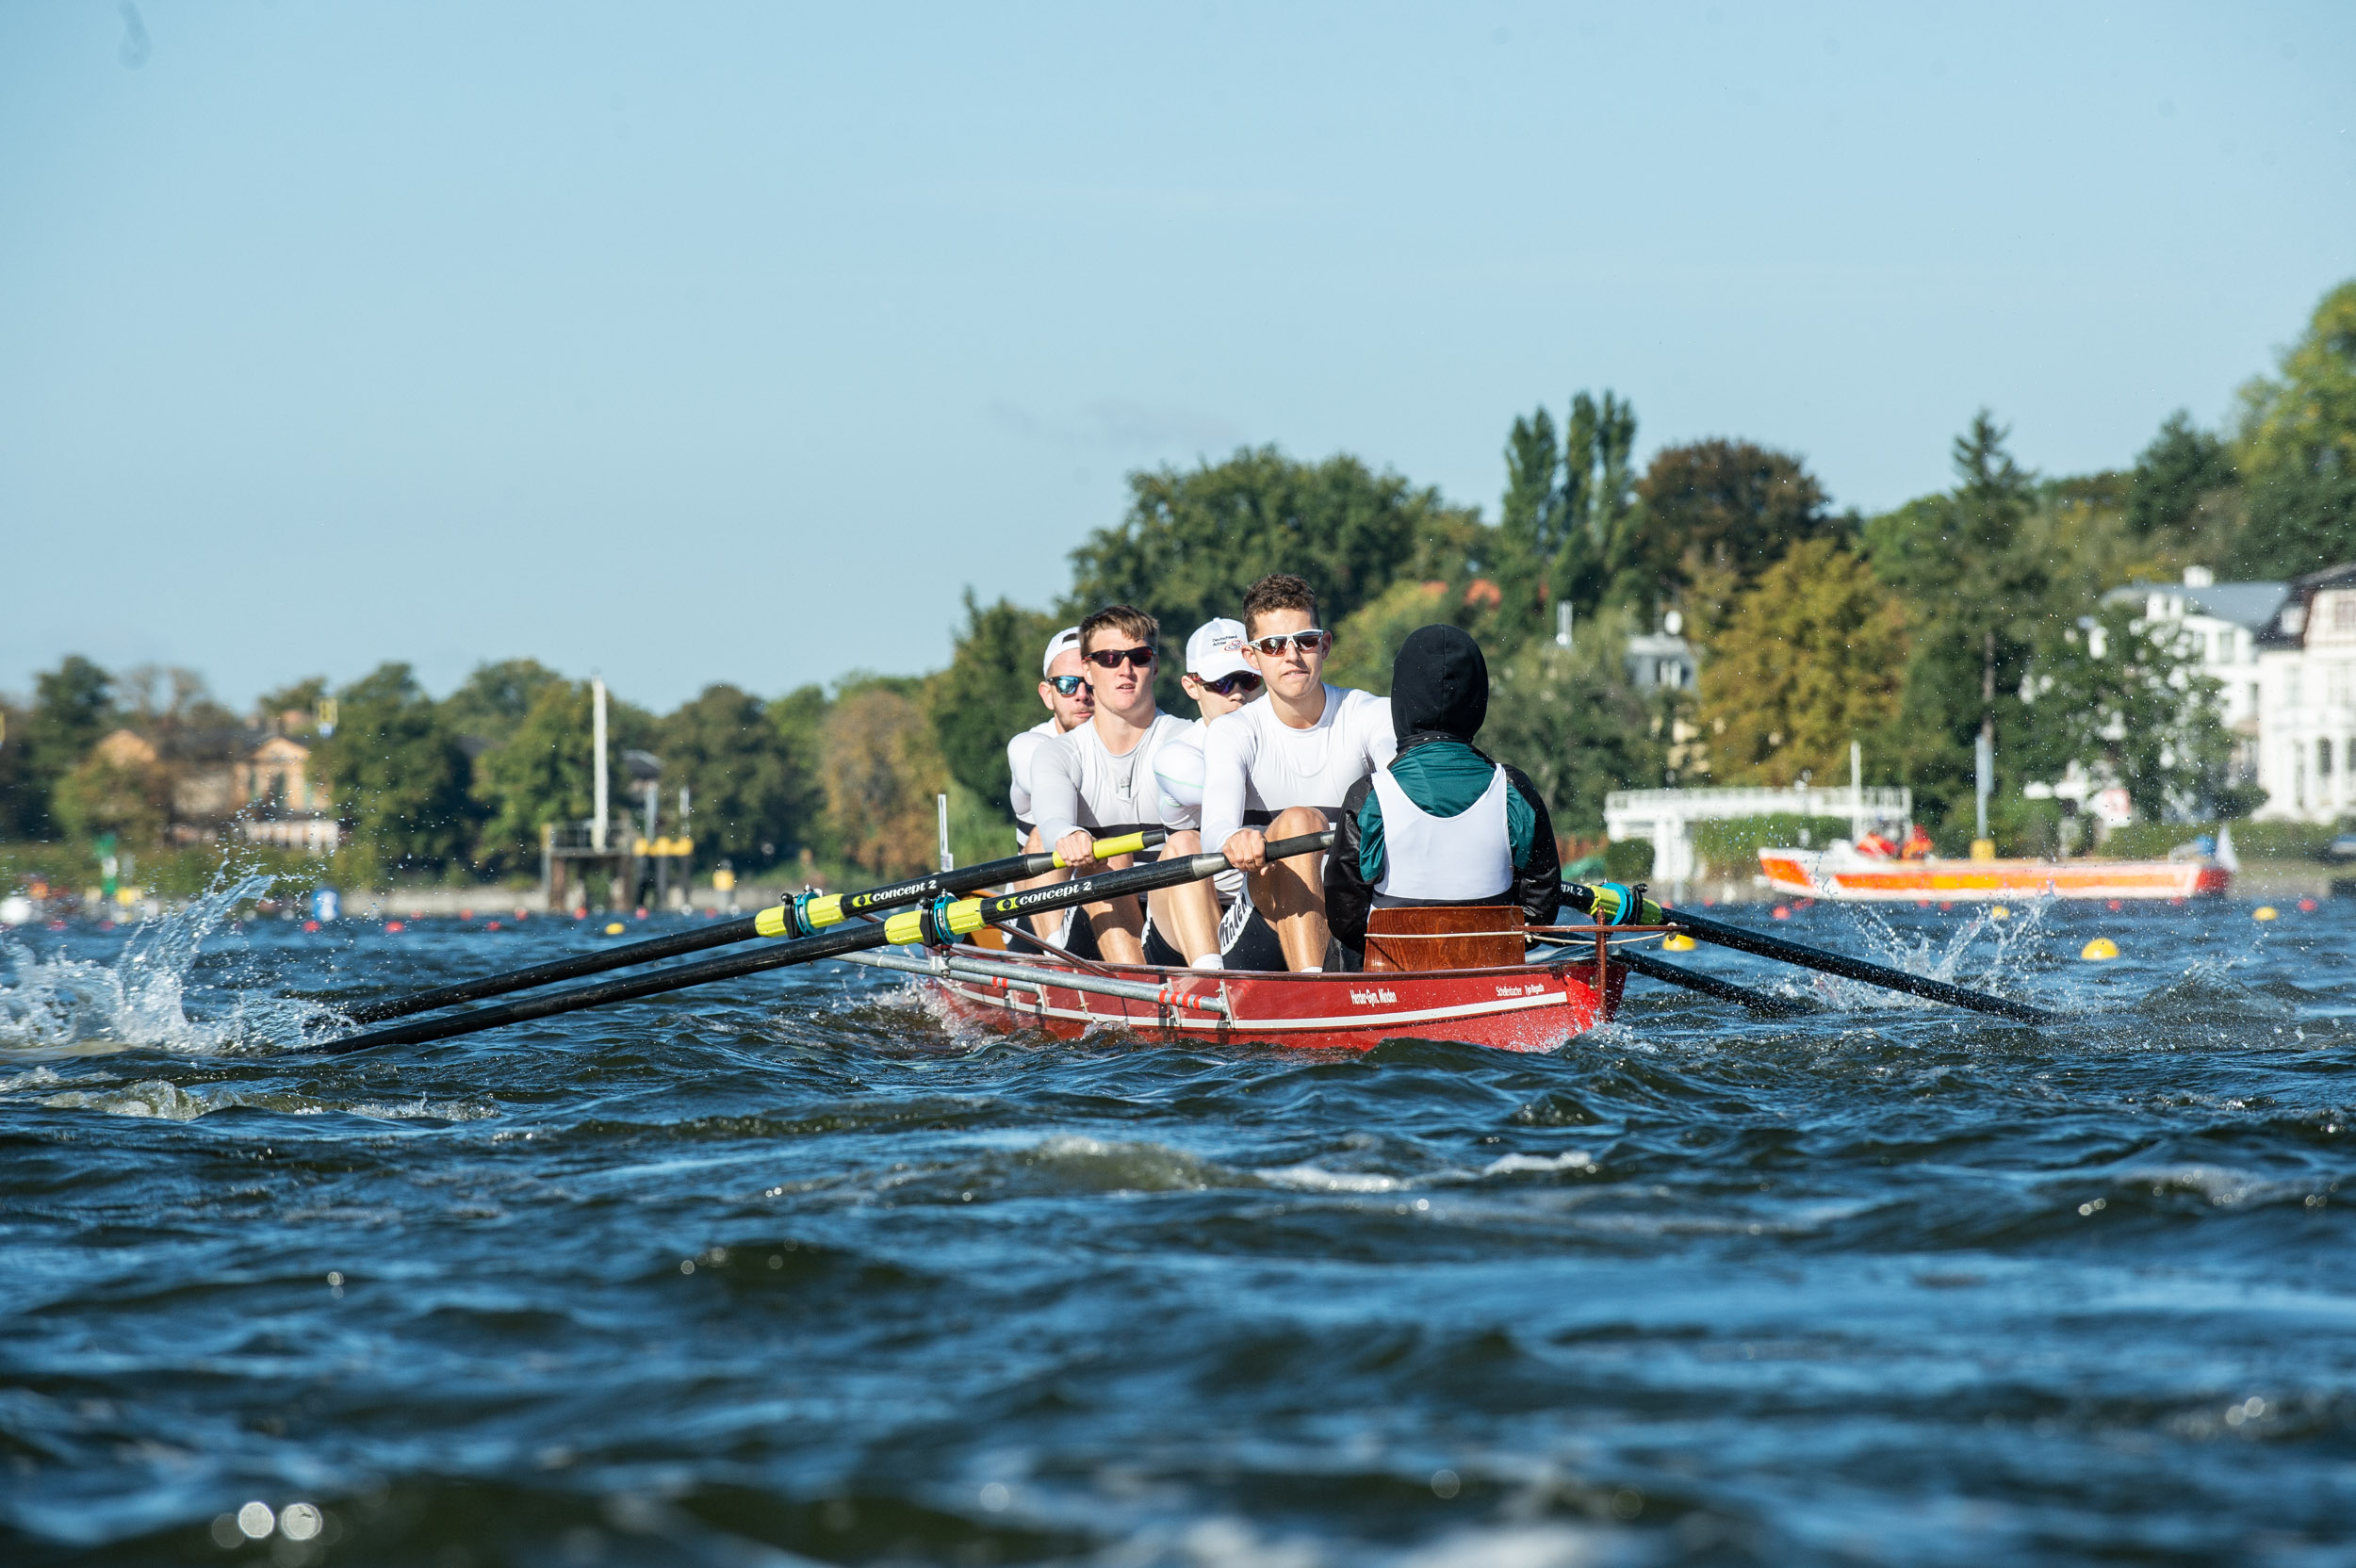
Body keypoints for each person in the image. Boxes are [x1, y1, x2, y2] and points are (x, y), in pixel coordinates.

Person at [1325, 624, 1561, 968]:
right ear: (1478, 700)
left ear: (1401, 699)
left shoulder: (1370, 795)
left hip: (1391, 975)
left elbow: (1345, 917)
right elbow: (1541, 907)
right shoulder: (1513, 789)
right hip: (1489, 974)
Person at [1203, 574, 1397, 970]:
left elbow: (1404, 792)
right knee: (1298, 822)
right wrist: (1233, 839)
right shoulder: (1234, 731)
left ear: (1323, 645)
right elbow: (1215, 830)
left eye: (1305, 641)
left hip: (1353, 906)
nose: (1291, 655)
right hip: (1262, 924)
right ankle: (1317, 988)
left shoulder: (1371, 714)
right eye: (1273, 646)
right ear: (1252, 658)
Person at [1027, 604, 1201, 965]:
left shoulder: (1188, 739)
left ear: (1154, 666)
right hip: (1093, 919)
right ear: (1087, 670)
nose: (1125, 670)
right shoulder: (1058, 753)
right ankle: (1065, 963)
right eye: (1109, 658)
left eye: (1138, 657)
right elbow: (1052, 821)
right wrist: (1068, 833)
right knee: (1095, 853)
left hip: (1169, 913)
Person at [1147, 616, 1288, 971]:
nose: (1238, 692)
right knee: (1183, 845)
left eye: (1248, 679)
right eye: (1221, 683)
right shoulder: (1177, 755)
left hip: (1262, 902)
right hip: (1186, 921)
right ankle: (1211, 983)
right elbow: (1232, 782)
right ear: (1192, 687)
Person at [1005, 627, 1093, 938]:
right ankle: (1057, 956)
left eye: (1090, 683)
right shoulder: (1030, 746)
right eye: (1068, 685)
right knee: (1046, 832)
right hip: (1033, 915)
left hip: (1108, 895)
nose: (1082, 695)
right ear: (1047, 694)